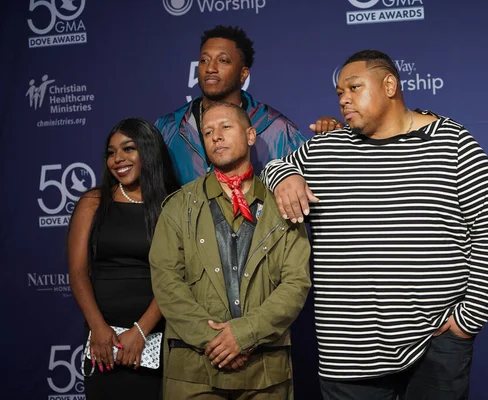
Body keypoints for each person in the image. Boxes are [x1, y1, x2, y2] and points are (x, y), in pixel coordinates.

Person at [260, 50, 488, 400]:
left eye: (354, 88)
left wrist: (468, 321)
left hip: (436, 343)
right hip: (348, 352)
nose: (344, 99)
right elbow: (272, 168)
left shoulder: (453, 143)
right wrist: (285, 176)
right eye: (339, 93)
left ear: (389, 84)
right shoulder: (328, 148)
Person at [149, 102, 311, 399]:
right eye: (208, 131)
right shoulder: (178, 206)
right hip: (194, 372)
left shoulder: (283, 204)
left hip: (265, 371)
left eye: (225, 127)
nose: (216, 136)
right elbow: (166, 281)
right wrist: (217, 340)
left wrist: (244, 334)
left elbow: (296, 283)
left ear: (251, 135)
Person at [68, 117, 179, 399]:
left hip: (157, 334)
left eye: (128, 149)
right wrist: (99, 329)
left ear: (148, 151)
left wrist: (141, 331)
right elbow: (79, 272)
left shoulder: (173, 204)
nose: (118, 159)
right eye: (111, 152)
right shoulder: (93, 202)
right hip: (103, 337)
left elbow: (177, 277)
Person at [155, 25, 310, 185]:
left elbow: (308, 185)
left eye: (223, 60)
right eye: (204, 60)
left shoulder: (277, 129)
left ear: (243, 74)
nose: (210, 68)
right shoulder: (168, 127)